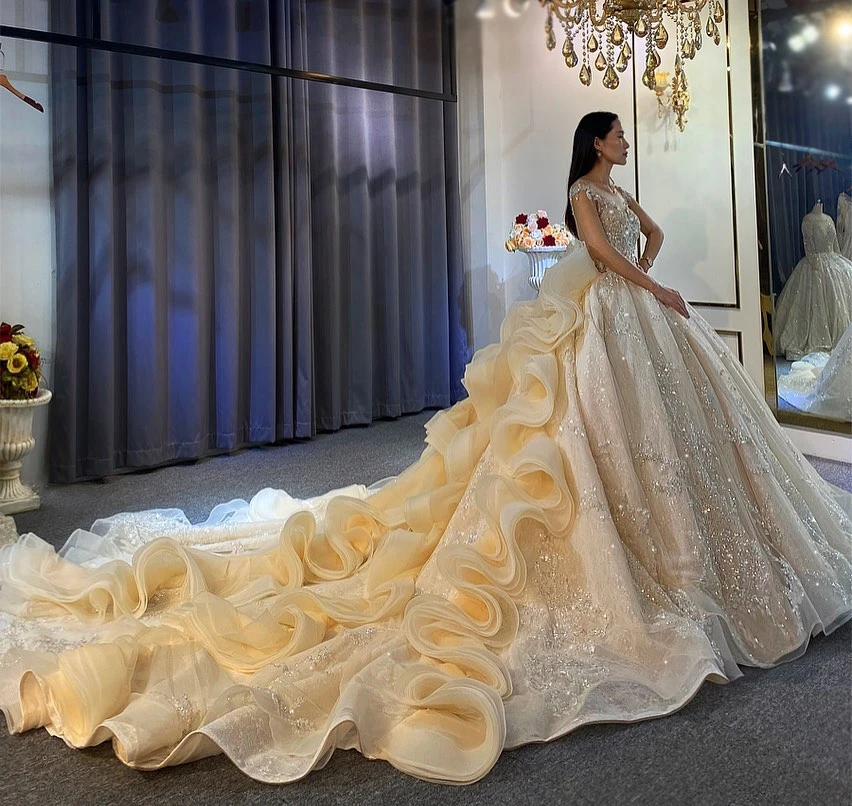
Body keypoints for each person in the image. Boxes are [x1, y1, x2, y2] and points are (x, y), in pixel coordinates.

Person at [0, 112, 849, 786]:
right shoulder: (586, 194)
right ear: (597, 142)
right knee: (582, 435)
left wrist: (645, 260)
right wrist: (650, 279)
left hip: (630, 314)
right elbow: (599, 251)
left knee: (660, 442)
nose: (625, 143)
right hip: (614, 312)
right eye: (618, 135)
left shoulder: (617, 191)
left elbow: (642, 236)